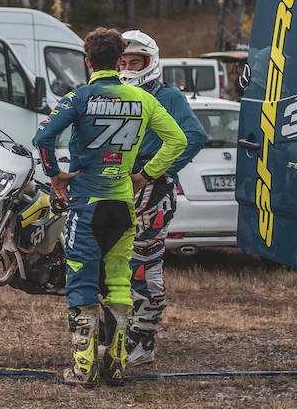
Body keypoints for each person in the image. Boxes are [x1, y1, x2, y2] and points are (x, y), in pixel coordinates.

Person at [34, 27, 186, 387]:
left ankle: (83, 368)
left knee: (81, 281)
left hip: (87, 204)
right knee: (119, 281)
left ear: (88, 62)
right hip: (124, 205)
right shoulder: (142, 98)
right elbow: (177, 140)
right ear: (120, 61)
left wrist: (56, 176)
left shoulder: (79, 97)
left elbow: (43, 137)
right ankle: (116, 365)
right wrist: (145, 175)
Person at [117, 30, 208, 365]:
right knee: (114, 266)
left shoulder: (167, 95)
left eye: (134, 62)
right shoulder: (113, 93)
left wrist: (157, 171)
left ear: (150, 62)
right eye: (122, 61)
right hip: (116, 185)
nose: (127, 67)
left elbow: (196, 136)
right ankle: (118, 332)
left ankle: (143, 339)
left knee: (144, 264)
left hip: (151, 189)